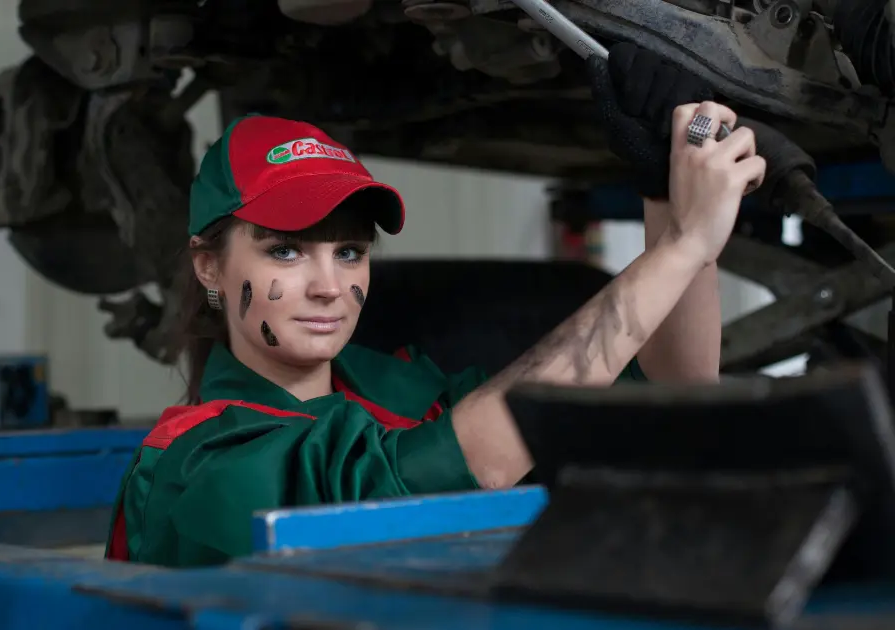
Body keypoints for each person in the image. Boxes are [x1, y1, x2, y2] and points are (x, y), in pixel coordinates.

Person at [103, 43, 766, 567]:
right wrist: (681, 245)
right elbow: (453, 470)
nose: (329, 285)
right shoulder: (196, 463)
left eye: (349, 252)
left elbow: (672, 395)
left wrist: (664, 192)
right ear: (210, 267)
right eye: (285, 251)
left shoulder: (395, 386)